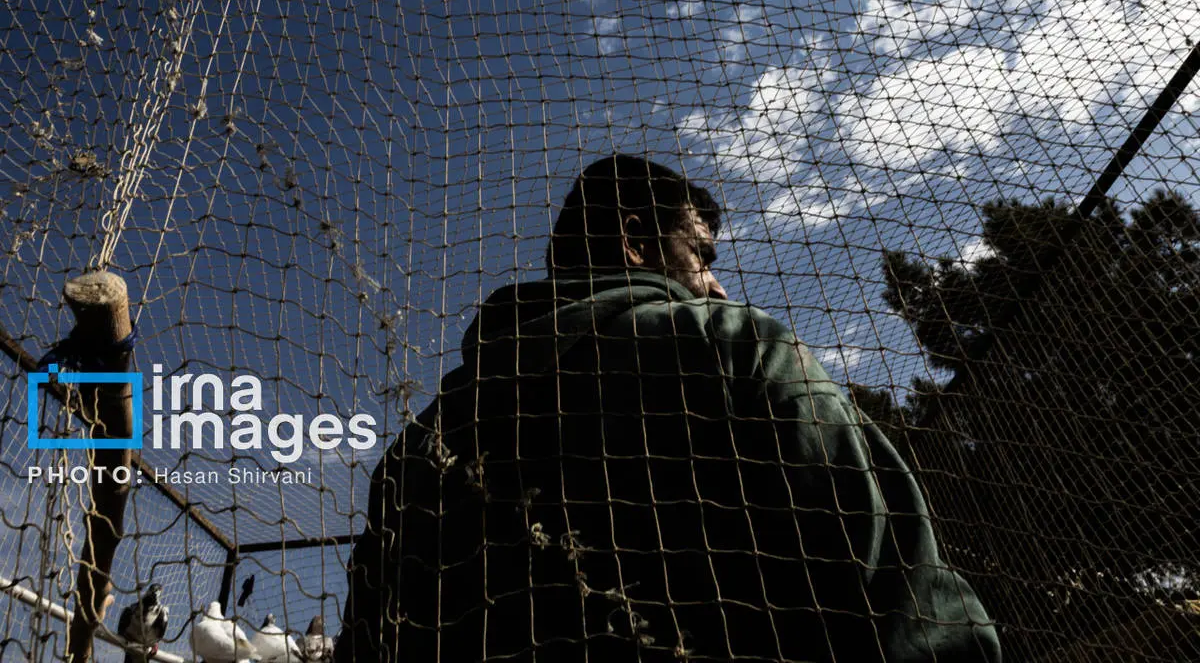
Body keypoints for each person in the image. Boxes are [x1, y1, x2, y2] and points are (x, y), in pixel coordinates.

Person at [335, 154, 1001, 662]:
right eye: (700, 254)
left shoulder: (421, 447)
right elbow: (906, 598)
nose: (716, 284)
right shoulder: (732, 346)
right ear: (636, 242)